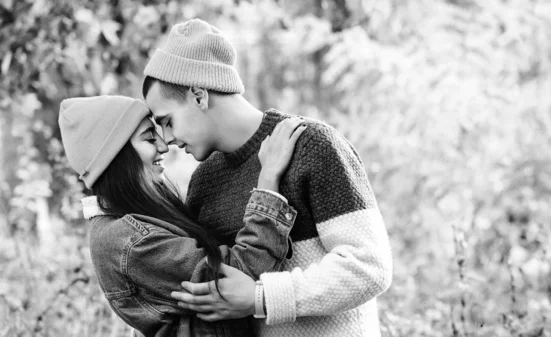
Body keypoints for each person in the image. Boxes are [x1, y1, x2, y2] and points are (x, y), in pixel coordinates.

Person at [142, 19, 393, 336]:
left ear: (198, 95)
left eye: (167, 121)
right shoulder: (203, 183)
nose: (167, 140)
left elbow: (370, 267)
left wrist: (260, 298)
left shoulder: (312, 145)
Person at [58, 95, 306, 337]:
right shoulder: (128, 242)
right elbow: (239, 275)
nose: (164, 145)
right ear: (117, 156)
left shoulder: (134, 219)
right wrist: (268, 180)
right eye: (149, 137)